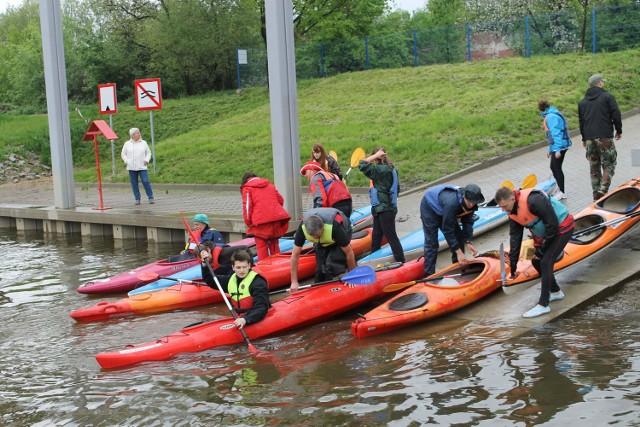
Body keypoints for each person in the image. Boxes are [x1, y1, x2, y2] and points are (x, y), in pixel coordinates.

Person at [495, 186, 575, 318]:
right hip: (544, 235)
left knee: (545, 262)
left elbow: (552, 224)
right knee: (535, 261)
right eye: (501, 207)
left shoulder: (534, 200)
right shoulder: (512, 213)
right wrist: (513, 267)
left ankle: (543, 305)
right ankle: (555, 292)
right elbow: (515, 240)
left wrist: (542, 249)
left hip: (562, 228)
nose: (503, 210)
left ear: (512, 198)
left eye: (504, 206)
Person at [420, 183, 484, 277]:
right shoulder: (452, 204)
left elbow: (468, 222)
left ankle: (457, 268)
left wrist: (468, 241)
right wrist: (459, 252)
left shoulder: (472, 205)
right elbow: (447, 229)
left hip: (445, 208)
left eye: (473, 202)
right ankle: (429, 276)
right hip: (429, 208)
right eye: (469, 201)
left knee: (459, 238)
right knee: (432, 244)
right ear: (464, 196)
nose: (471, 204)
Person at [199, 247, 270, 329]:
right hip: (238, 319)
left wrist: (245, 319)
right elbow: (210, 280)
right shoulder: (230, 280)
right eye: (238, 267)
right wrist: (204, 263)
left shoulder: (258, 282)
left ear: (249, 265)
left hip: (254, 317)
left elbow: (261, 308)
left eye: (244, 267)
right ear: (233, 267)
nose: (241, 271)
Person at [288, 207, 355, 292]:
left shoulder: (335, 227)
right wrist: (294, 281)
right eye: (314, 237)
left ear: (323, 227)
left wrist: (352, 275)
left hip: (343, 231)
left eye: (319, 235)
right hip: (322, 242)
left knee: (330, 266)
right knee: (320, 270)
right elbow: (295, 255)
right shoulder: (302, 229)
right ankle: (318, 291)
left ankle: (331, 288)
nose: (316, 238)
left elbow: (349, 252)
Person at [578, 74, 623, 201]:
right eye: (602, 81)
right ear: (600, 83)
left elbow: (582, 121)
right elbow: (616, 114)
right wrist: (618, 130)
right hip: (604, 137)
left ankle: (595, 196)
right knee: (609, 162)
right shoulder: (607, 97)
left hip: (589, 138)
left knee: (594, 166)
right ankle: (603, 190)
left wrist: (584, 139)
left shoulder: (583, 102)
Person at [358, 147, 405, 263]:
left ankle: (401, 260)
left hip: (385, 209)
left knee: (390, 236)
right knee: (376, 236)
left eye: (374, 157)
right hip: (381, 209)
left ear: (377, 157)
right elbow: (397, 189)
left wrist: (374, 156)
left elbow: (362, 164)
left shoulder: (381, 169)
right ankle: (373, 260)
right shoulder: (390, 169)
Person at [240, 172, 291, 261]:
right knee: (274, 244)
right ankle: (278, 266)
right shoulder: (270, 185)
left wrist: (248, 222)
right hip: (275, 220)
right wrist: (273, 212)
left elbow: (247, 207)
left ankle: (264, 269)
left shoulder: (247, 188)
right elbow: (280, 200)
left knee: (261, 245)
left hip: (260, 223)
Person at [539, 99, 572, 200]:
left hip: (560, 146)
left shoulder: (551, 117)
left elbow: (555, 134)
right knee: (554, 167)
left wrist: (557, 150)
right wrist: (551, 150)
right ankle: (560, 190)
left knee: (556, 168)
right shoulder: (551, 114)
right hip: (559, 145)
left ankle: (561, 192)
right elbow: (551, 137)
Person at [121, 128, 154, 205]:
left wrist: (147, 160)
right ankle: (137, 198)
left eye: (139, 133)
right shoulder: (127, 144)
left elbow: (148, 153)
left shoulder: (144, 143)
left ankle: (150, 197)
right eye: (137, 133)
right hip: (131, 167)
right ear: (132, 135)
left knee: (145, 181)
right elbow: (123, 154)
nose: (139, 134)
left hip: (142, 166)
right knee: (134, 183)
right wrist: (126, 161)